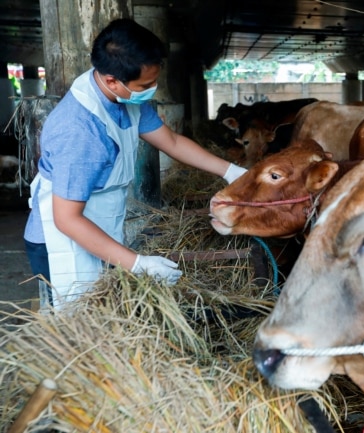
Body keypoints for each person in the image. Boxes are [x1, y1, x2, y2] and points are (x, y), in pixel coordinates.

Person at [23, 18, 247, 309]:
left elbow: (173, 142)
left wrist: (231, 171)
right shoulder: (79, 130)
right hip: (61, 241)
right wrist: (138, 263)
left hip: (98, 224)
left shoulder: (124, 98)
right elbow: (67, 219)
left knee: (106, 309)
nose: (152, 90)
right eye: (146, 85)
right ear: (112, 80)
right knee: (78, 319)